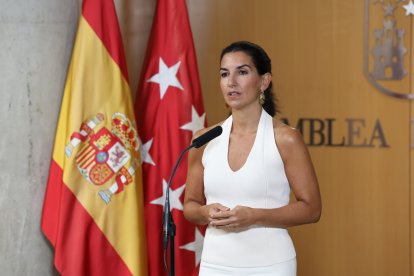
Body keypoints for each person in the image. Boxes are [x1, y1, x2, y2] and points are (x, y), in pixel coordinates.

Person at [183, 41, 321, 276]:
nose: (231, 82)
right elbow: (190, 205)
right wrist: (206, 212)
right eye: (224, 74)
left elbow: (312, 209)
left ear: (264, 81)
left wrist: (255, 216)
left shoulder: (286, 139)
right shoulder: (203, 139)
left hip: (271, 265)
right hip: (214, 264)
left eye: (242, 72)